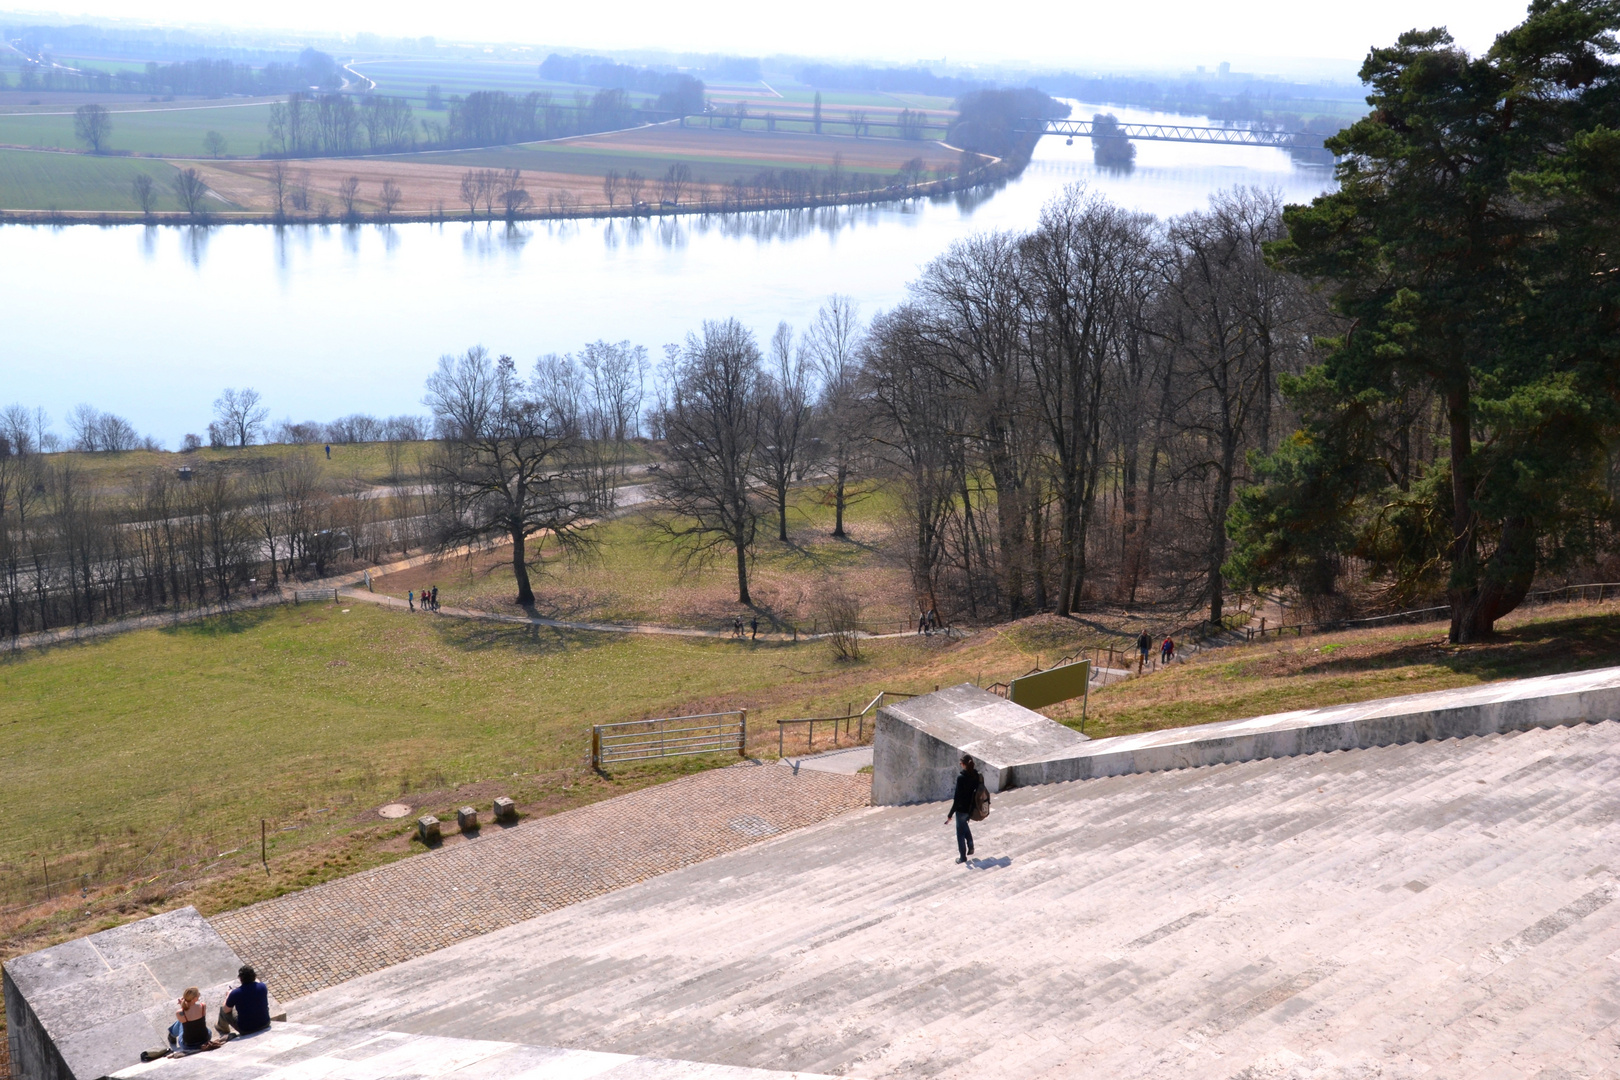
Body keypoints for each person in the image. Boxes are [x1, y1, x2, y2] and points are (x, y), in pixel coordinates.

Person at [943, 754, 982, 865]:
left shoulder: (961, 778)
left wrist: (950, 814)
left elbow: (957, 799)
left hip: (961, 810)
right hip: (971, 808)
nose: (960, 765)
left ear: (964, 764)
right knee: (964, 826)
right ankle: (971, 845)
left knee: (960, 833)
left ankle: (962, 857)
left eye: (961, 764)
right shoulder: (976, 775)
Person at [216, 965, 272, 1038]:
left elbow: (226, 1010)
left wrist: (228, 995)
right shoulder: (262, 986)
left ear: (240, 978)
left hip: (246, 1029)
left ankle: (222, 1030)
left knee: (222, 1008)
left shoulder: (235, 993)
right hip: (265, 1023)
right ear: (254, 976)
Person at [168, 987, 212, 1053]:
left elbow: (184, 1016)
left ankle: (172, 1035)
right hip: (205, 1040)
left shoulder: (179, 1012)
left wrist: (182, 1006)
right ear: (194, 999)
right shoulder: (203, 1006)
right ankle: (171, 1035)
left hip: (188, 1045)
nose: (199, 995)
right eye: (198, 994)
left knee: (181, 1022)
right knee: (202, 1026)